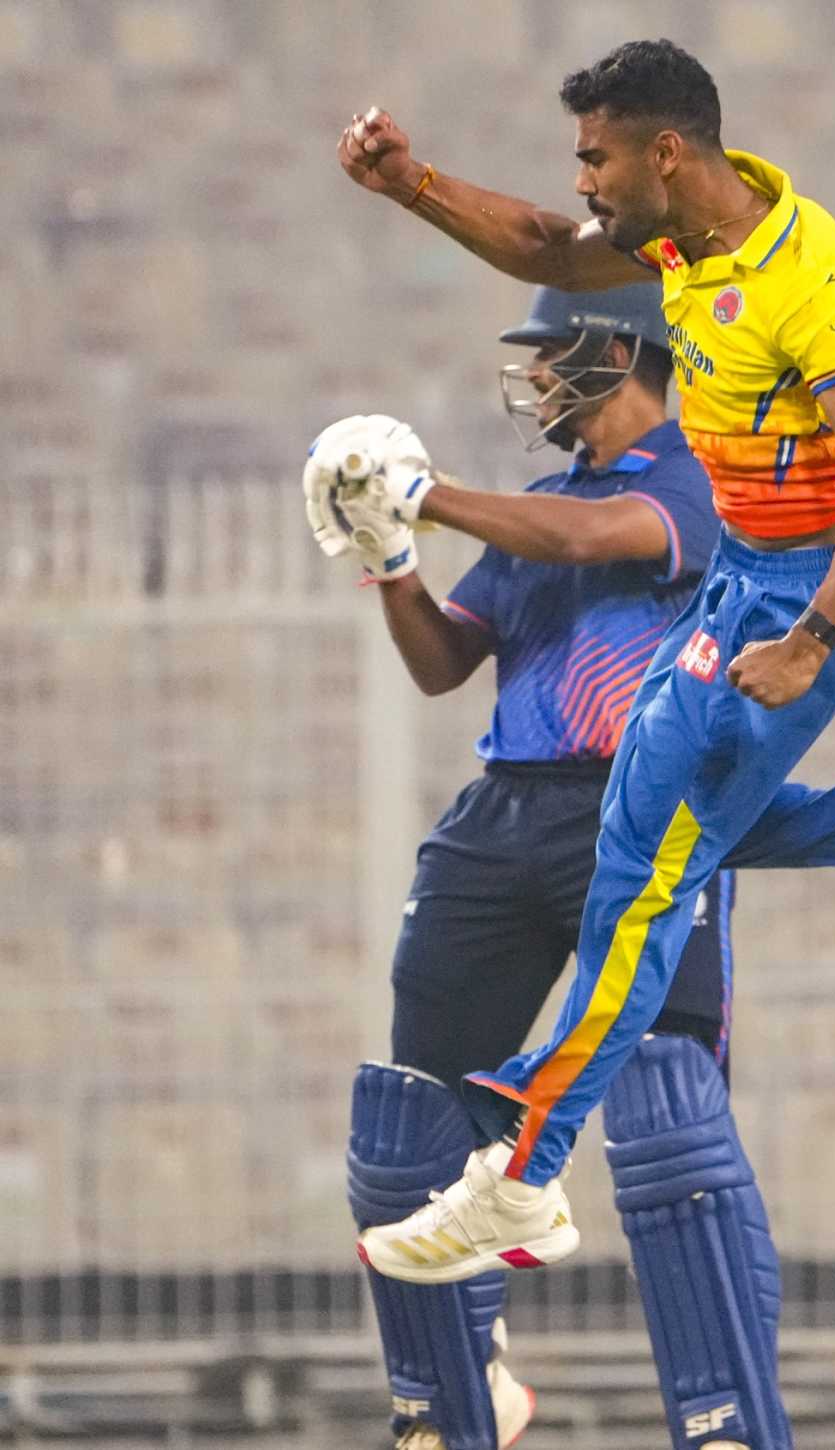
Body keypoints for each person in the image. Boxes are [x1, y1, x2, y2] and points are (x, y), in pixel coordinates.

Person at [340, 32, 835, 1410]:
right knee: (656, 845)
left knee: (642, 883)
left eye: (596, 154)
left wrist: (813, 637)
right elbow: (543, 243)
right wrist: (412, 184)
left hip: (795, 598)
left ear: (665, 152)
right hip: (739, 589)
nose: (581, 179)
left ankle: (524, 1172)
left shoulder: (806, 277)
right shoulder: (677, 246)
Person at [306, 283, 804, 1449]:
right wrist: (390, 560)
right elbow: (446, 662)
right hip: (502, 815)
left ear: (620, 352)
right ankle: (454, 1393)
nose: (534, 378)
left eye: (552, 355)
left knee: (666, 1109)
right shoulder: (534, 507)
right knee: (411, 1122)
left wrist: (427, 499)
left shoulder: (697, 475)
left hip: (639, 813)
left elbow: (592, 540)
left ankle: (727, 1417)